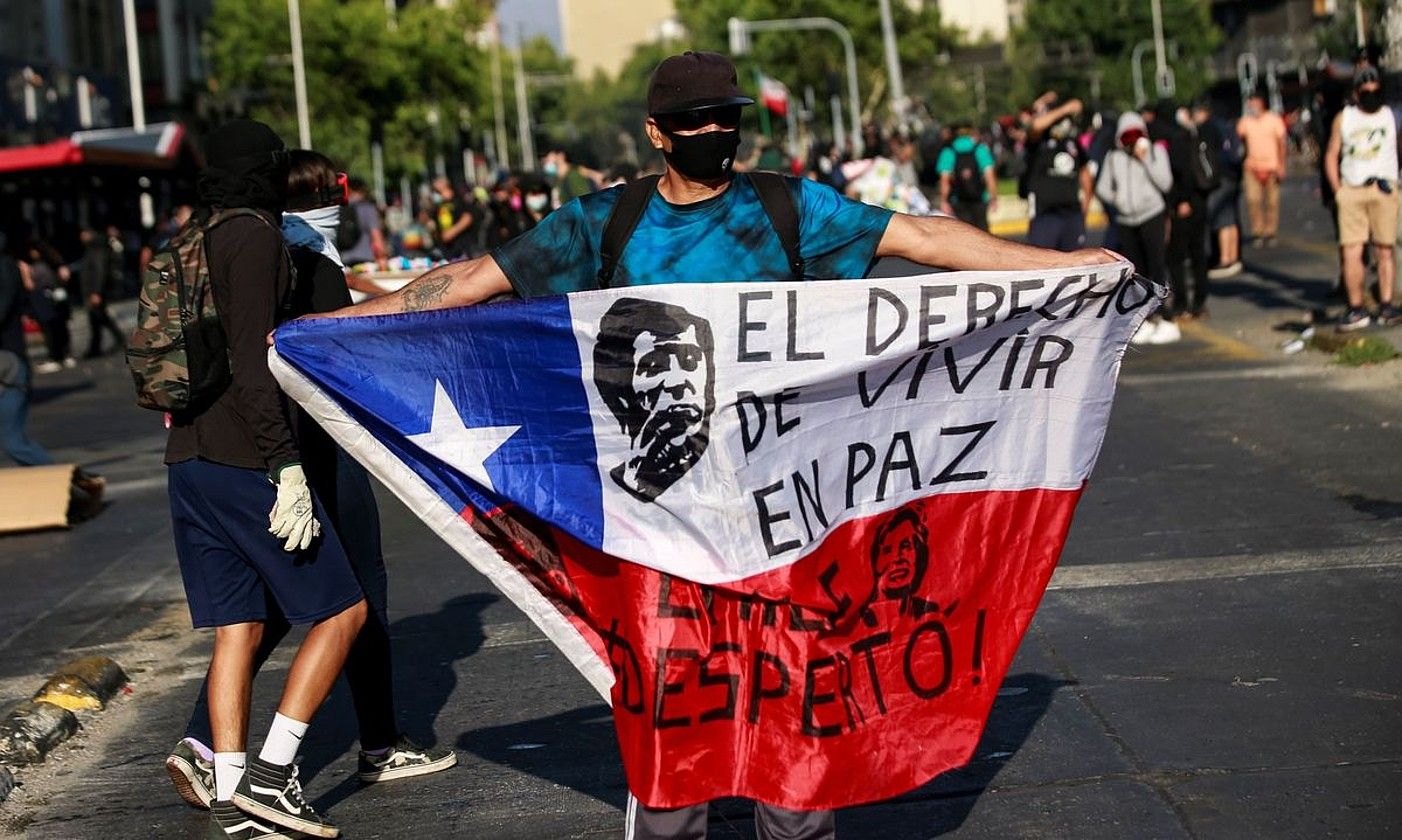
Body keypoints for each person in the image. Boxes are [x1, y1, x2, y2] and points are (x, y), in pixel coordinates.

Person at [292, 50, 1117, 840]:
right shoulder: (602, 222)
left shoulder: (790, 208)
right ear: (657, 132)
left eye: (726, 117)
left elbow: (926, 240)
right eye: (695, 121)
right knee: (671, 725)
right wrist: (333, 331)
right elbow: (469, 284)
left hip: (786, 518)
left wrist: (1065, 267)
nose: (714, 132)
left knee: (794, 719)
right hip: (658, 525)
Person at [165, 148, 457, 818]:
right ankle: (353, 750)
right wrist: (288, 467)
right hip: (306, 450)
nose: (340, 199)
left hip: (206, 455)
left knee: (249, 616)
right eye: (336, 189)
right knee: (353, 603)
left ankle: (216, 755)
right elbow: (322, 338)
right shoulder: (293, 254)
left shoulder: (233, 246)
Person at [164, 119, 368, 839]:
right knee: (343, 611)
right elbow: (255, 363)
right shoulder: (251, 235)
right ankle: (275, 778)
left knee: (238, 629)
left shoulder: (192, 234)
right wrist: (286, 466)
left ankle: (230, 797)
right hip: (245, 457)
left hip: (188, 460)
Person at [1325, 67, 1400, 330]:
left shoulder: (1391, 115)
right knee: (1352, 250)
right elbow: (1331, 154)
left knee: (1385, 249)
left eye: (1376, 91)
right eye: (1365, 92)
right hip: (1353, 189)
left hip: (1384, 188)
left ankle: (1387, 305)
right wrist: (1338, 190)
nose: (1371, 96)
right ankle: (1356, 307)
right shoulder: (1344, 118)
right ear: (1356, 94)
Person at [1096, 112, 1178, 344]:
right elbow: (1102, 187)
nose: (1131, 142)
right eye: (1127, 137)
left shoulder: (1155, 152)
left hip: (1151, 215)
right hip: (1125, 220)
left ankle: (1168, 318)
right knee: (1137, 272)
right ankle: (1145, 318)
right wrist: (1118, 199)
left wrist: (1145, 160)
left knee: (1157, 266)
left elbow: (1165, 183)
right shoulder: (1114, 157)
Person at [1163, 101, 1213, 319]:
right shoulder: (1195, 135)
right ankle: (1199, 302)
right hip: (1199, 201)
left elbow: (1182, 172)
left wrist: (1181, 201)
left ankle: (1182, 302)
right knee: (1198, 253)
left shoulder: (1176, 139)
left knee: (1177, 256)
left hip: (1185, 204)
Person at [1023, 103, 1094, 251]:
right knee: (1043, 265)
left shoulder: (1072, 144)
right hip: (1045, 215)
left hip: (1072, 214)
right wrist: (1065, 109)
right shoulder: (1038, 142)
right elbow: (1034, 126)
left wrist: (1083, 211)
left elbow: (1086, 175)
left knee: (1074, 265)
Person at [1194, 100, 1244, 279]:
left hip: (1219, 176)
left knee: (1221, 219)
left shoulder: (1206, 128)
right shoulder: (1225, 125)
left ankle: (1225, 259)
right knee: (1231, 218)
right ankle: (1234, 256)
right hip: (1233, 174)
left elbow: (1205, 155)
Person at [1236, 92, 1288, 247]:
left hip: (1272, 166)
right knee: (1253, 200)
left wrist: (1281, 165)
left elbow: (1281, 143)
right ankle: (1257, 232)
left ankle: (1270, 232)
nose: (1252, 106)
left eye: (1254, 102)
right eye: (1250, 103)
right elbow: (1238, 139)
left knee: (1272, 202)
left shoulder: (1274, 120)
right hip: (1251, 166)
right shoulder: (1245, 122)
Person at [78, 225, 127, 358]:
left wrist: (96, 292)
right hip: (93, 290)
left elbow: (99, 271)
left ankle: (100, 347)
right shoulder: (93, 248)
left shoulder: (96, 248)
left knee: (98, 319)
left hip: (94, 291)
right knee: (99, 319)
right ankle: (104, 345)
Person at [936, 124, 997, 230]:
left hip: (958, 200)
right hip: (979, 199)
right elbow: (990, 176)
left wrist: (944, 201)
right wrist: (993, 198)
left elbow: (944, 180)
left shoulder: (948, 152)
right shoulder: (980, 149)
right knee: (983, 233)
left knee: (964, 233)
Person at [339, 177, 388, 269]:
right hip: (365, 261)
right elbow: (376, 237)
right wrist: (382, 257)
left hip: (344, 259)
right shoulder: (368, 208)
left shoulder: (341, 209)